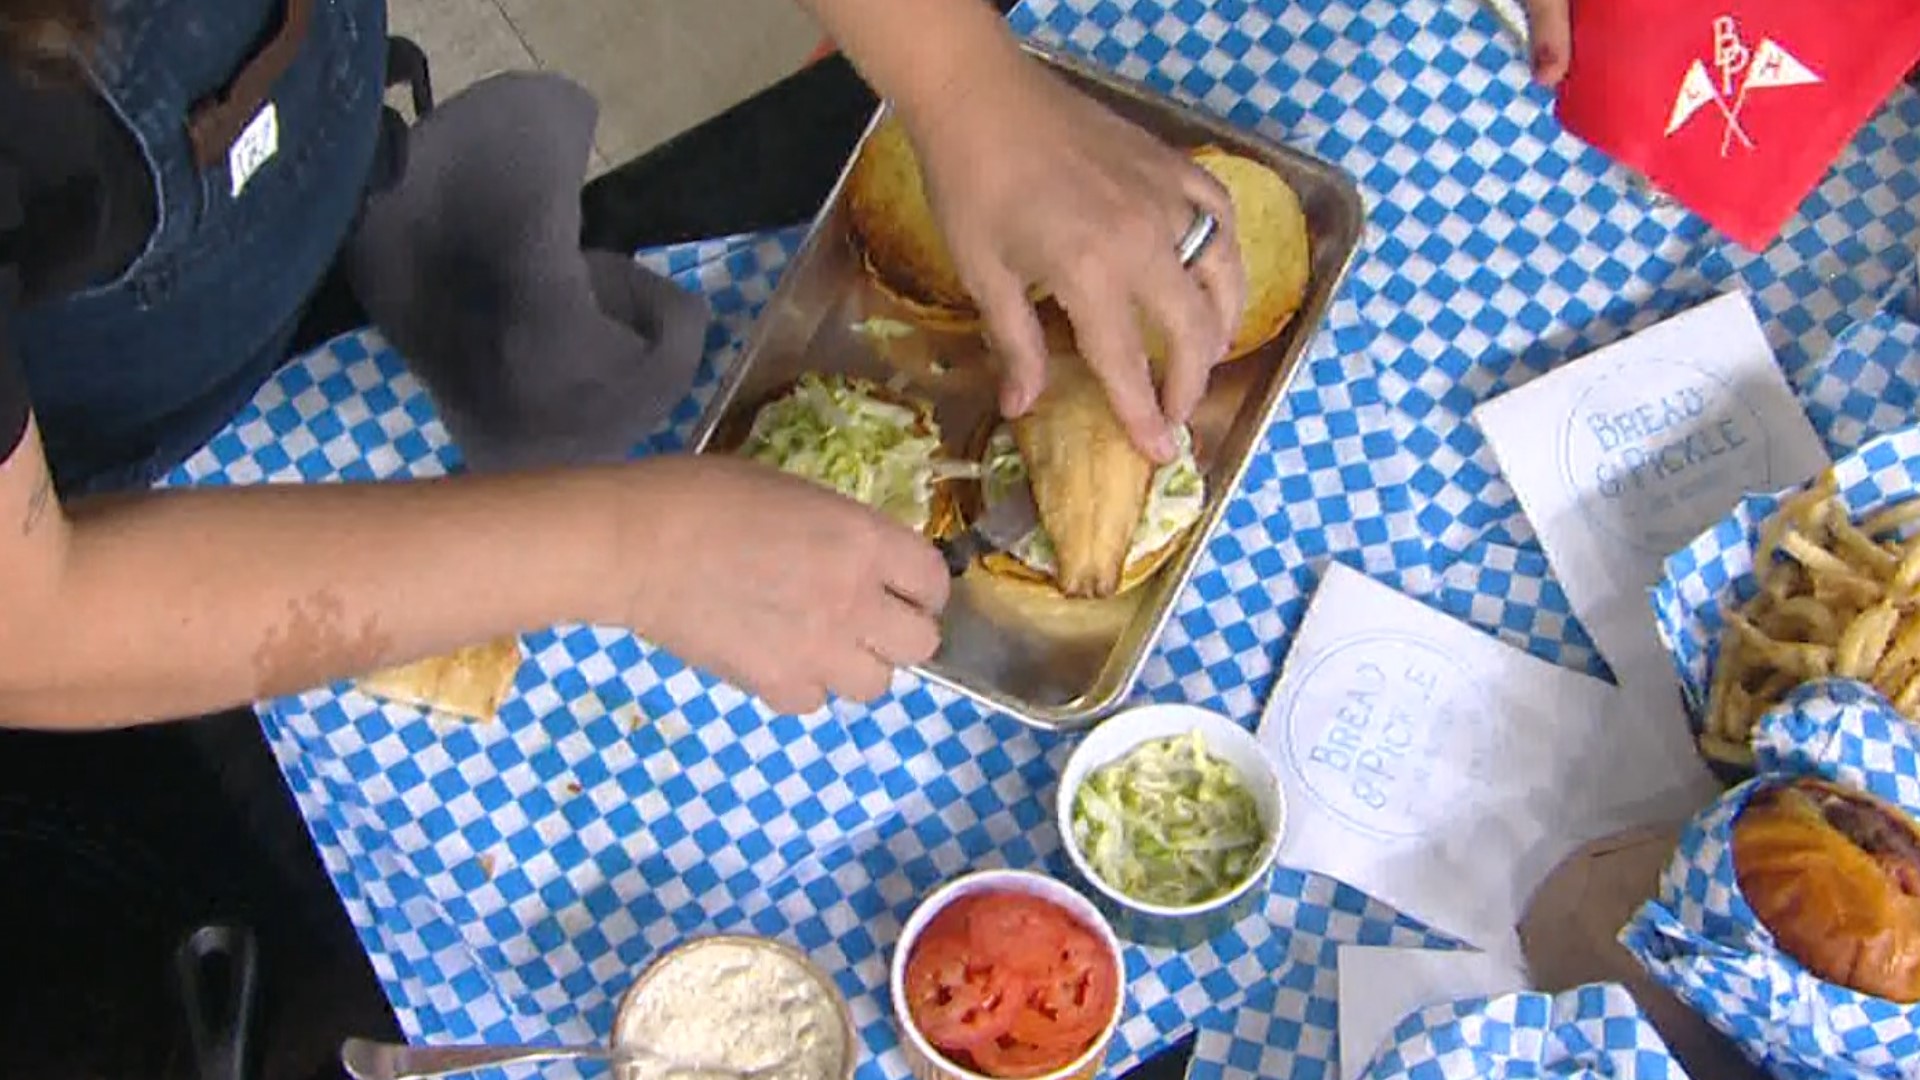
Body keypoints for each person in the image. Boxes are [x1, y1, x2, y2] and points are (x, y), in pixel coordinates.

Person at [0, 0, 1572, 730]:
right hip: (93, 492)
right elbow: (32, 626)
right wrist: (629, 546)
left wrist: (964, 88)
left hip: (274, 210)